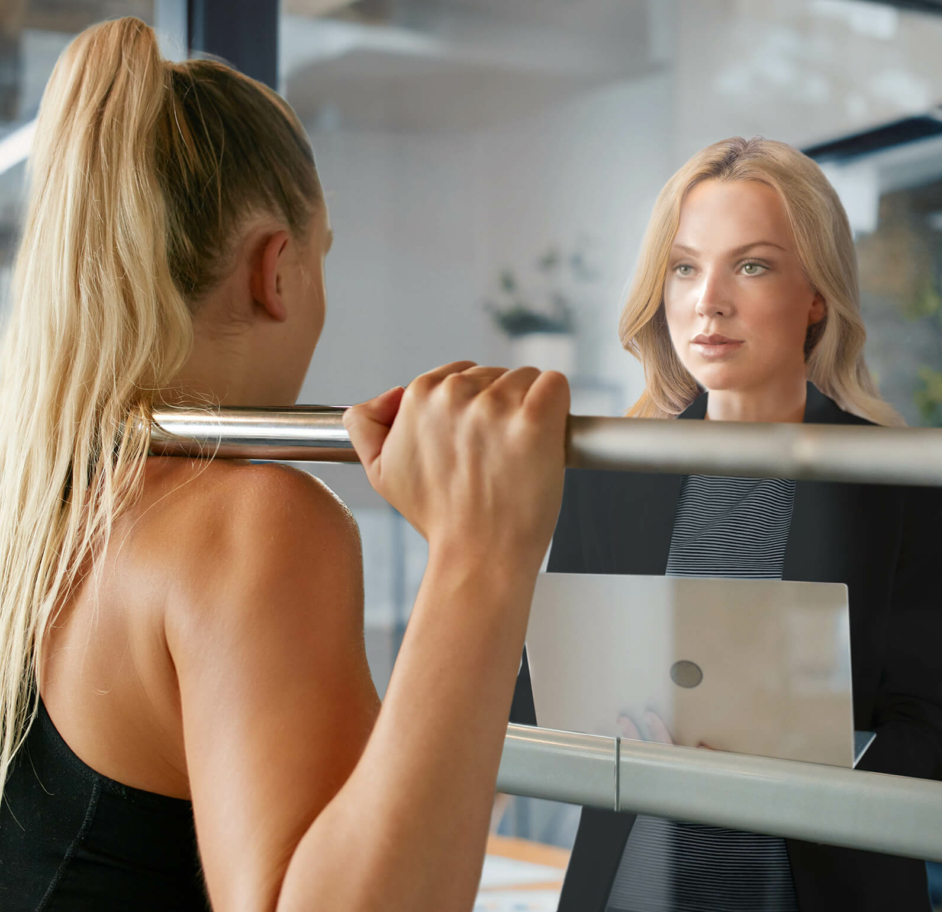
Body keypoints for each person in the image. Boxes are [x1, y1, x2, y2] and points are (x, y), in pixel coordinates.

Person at [0, 18, 570, 912]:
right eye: (322, 260)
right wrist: (480, 555)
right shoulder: (251, 518)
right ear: (278, 270)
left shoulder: (39, 509)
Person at [511, 137, 942, 912]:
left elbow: (935, 740)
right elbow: (538, 709)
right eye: (686, 267)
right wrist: (604, 741)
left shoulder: (905, 485)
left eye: (751, 265)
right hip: (634, 890)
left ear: (816, 295)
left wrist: (794, 757)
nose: (708, 300)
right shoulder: (606, 476)